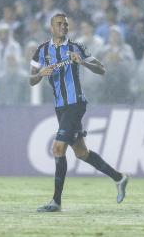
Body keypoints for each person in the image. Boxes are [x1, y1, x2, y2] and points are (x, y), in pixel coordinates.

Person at [29, 13, 129, 212]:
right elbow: (31, 80)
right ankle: (119, 178)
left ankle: (56, 202)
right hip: (60, 106)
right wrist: (40, 74)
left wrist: (82, 62)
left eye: (66, 24)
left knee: (58, 149)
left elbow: (101, 69)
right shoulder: (42, 50)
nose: (63, 27)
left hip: (76, 103)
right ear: (51, 27)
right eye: (59, 24)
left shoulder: (77, 48)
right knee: (81, 152)